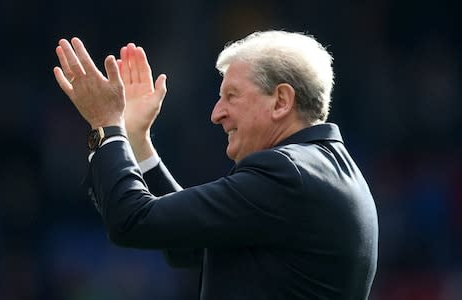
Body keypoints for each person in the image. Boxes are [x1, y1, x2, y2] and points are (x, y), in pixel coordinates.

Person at [53, 30, 378, 300]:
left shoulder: (285, 174)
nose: (216, 113)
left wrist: (107, 126)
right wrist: (137, 140)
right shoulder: (327, 171)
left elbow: (132, 220)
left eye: (231, 96)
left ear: (281, 101)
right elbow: (188, 244)